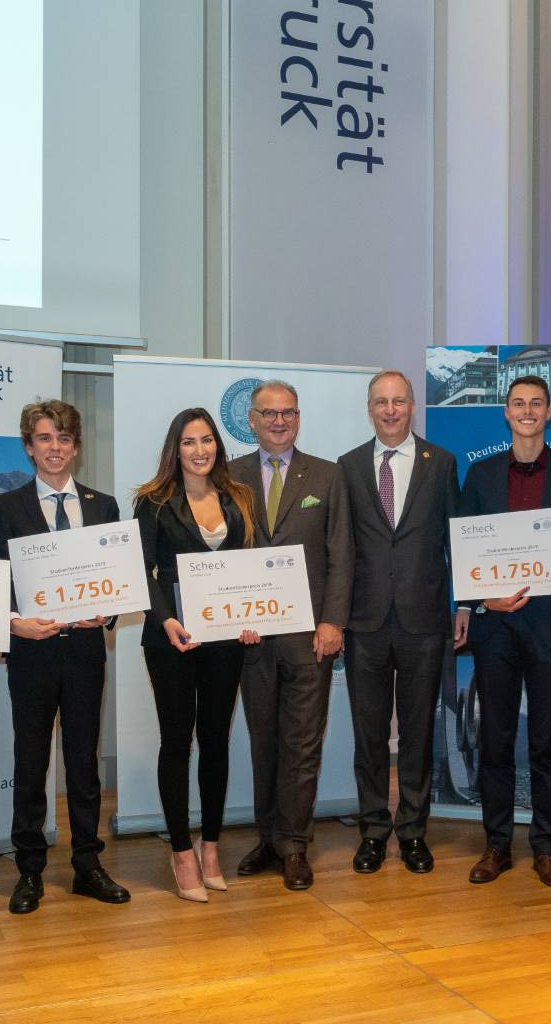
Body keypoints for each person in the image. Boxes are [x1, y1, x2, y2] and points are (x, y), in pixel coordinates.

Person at [0, 399, 127, 914]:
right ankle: (29, 870)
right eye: (44, 439)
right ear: (29, 447)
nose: (55, 448)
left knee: (83, 763)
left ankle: (88, 865)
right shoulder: (8, 507)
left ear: (76, 447)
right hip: (32, 654)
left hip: (86, 652)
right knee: (31, 761)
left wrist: (106, 613)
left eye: (64, 439)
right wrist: (14, 621)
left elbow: (117, 582)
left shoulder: (103, 505)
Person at [455, 376, 551, 889]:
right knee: (495, 740)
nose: (528, 411)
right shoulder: (481, 474)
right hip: (495, 628)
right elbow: (464, 546)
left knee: (550, 742)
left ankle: (547, 846)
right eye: (519, 404)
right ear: (506, 414)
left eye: (537, 403)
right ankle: (496, 845)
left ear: (549, 412)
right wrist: (475, 598)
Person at [230, 379, 353, 891]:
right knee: (263, 741)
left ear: (297, 418)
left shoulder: (327, 475)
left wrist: (333, 621)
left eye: (288, 413)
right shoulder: (229, 475)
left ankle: (295, 844)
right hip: (251, 635)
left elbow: (341, 552)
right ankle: (267, 838)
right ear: (252, 421)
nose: (279, 422)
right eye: (268, 414)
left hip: (310, 636)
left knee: (302, 743)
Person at [135, 408, 261, 903]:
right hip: (171, 638)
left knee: (216, 741)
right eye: (189, 442)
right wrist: (166, 619)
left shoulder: (239, 498)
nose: (200, 450)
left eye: (207, 440)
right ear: (176, 449)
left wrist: (255, 616)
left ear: (218, 446)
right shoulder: (152, 502)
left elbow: (250, 565)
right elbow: (142, 572)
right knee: (176, 741)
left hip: (225, 638)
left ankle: (211, 846)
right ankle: (182, 851)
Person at [337, 370, 460, 875]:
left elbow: (459, 541)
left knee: (416, 735)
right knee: (367, 736)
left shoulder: (441, 463)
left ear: (413, 406)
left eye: (399, 401)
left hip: (424, 621)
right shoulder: (346, 467)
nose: (390, 410)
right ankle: (372, 831)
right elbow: (340, 547)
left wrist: (466, 606)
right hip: (363, 623)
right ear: (369, 408)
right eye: (380, 402)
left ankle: (412, 832)